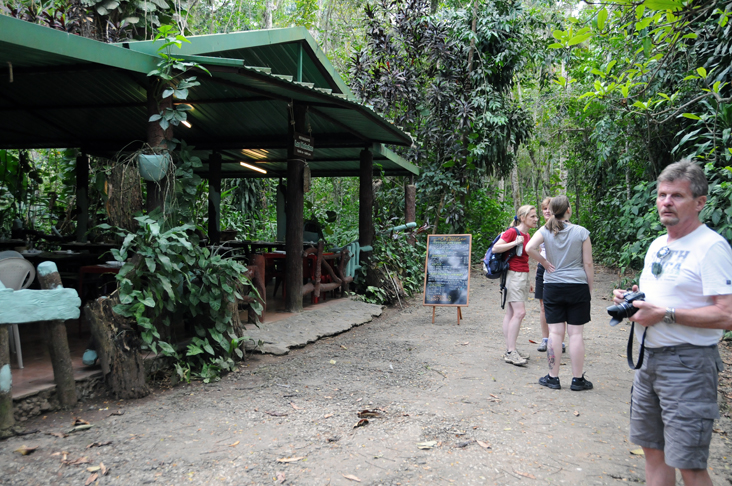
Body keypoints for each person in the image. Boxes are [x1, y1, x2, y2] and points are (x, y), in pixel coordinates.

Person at [612, 160, 732, 486]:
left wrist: (665, 314)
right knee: (653, 452)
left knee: (689, 465)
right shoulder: (656, 246)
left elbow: (727, 314)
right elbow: (662, 295)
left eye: (677, 196)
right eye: (662, 194)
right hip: (648, 359)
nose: (666, 201)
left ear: (700, 202)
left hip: (689, 365)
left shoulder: (711, 247)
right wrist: (635, 298)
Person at [526, 195, 594, 390]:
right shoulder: (581, 232)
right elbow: (588, 263)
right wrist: (588, 287)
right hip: (577, 286)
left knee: (555, 333)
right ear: (568, 210)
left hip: (553, 286)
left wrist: (545, 263)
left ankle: (552, 377)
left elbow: (529, 247)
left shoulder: (544, 230)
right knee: (576, 334)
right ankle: (578, 379)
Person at [492, 205, 539, 366]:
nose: (536, 219)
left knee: (511, 313)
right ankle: (511, 351)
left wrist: (529, 280)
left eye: (536, 216)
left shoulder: (527, 234)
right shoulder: (513, 232)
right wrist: (514, 243)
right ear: (523, 217)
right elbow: (496, 248)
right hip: (513, 275)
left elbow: (524, 258)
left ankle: (510, 349)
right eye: (532, 216)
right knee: (520, 313)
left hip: (522, 275)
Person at [535, 198, 565, 355]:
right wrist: (541, 266)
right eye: (544, 208)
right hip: (543, 269)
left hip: (559, 269)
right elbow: (538, 251)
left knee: (560, 306)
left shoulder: (563, 227)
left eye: (549, 208)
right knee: (543, 306)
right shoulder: (540, 230)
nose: (547, 211)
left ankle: (561, 339)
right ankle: (545, 338)